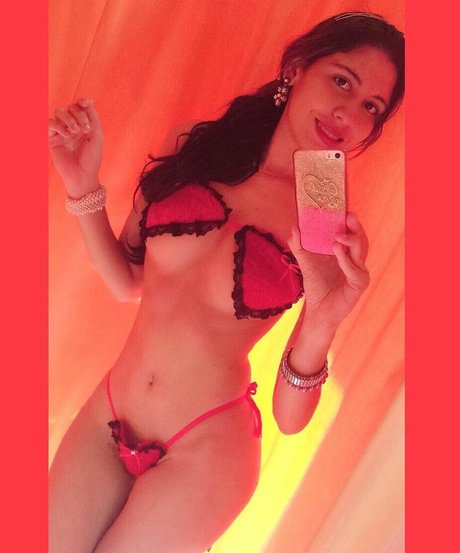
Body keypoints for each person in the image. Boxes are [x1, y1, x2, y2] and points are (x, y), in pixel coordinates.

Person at [48, 11, 404, 553]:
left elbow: (290, 420)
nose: (348, 113)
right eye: (342, 81)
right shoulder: (197, 145)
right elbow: (127, 280)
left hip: (207, 450)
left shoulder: (324, 215)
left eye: (371, 107)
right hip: (111, 411)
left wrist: (325, 321)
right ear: (297, 66)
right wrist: (82, 184)